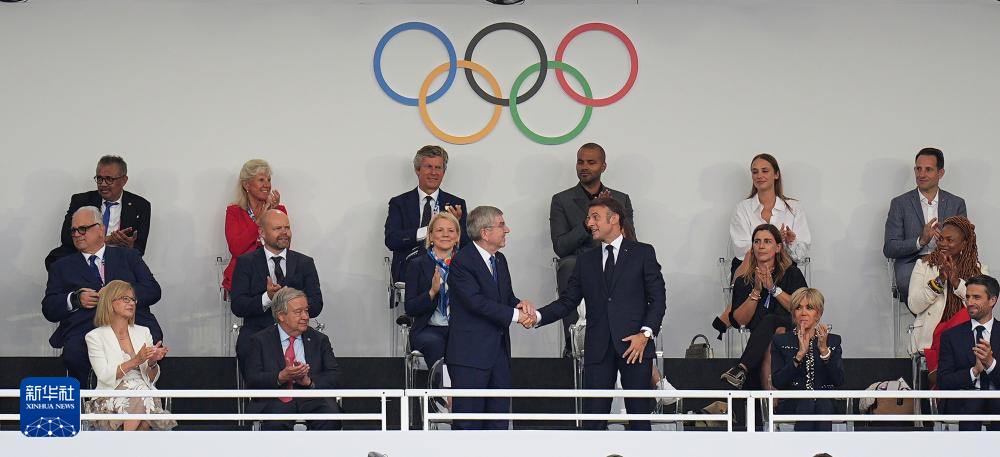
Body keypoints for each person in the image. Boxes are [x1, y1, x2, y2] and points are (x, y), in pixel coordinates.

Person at [534, 197, 666, 431]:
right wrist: (537, 316)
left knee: (639, 419)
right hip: (598, 348)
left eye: (595, 217)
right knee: (593, 421)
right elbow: (567, 301)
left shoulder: (643, 253)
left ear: (614, 219)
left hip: (635, 348)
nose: (589, 223)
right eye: (588, 218)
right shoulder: (585, 261)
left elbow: (658, 299)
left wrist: (645, 335)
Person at [42, 206, 163, 386]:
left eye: (83, 229)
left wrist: (119, 295)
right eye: (73, 230)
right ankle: (89, 400)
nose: (77, 234)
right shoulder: (61, 266)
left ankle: (140, 395)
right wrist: (75, 299)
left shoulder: (129, 256)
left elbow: (153, 290)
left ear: (100, 229)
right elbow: (49, 308)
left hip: (132, 323)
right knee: (74, 354)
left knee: (152, 346)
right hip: (84, 327)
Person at [446, 206, 534, 430]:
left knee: (498, 421)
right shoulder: (462, 261)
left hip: (499, 353)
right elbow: (475, 302)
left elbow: (505, 297)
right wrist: (516, 315)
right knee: (468, 423)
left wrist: (520, 305)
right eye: (502, 225)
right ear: (485, 232)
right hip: (470, 356)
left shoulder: (500, 260)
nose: (507, 230)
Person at [550, 142, 634, 357]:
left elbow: (630, 241)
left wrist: (609, 209)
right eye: (580, 162)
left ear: (603, 166)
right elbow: (561, 246)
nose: (584, 167)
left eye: (591, 162)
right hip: (580, 263)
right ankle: (573, 344)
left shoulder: (620, 199)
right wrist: (589, 223)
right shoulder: (561, 200)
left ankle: (626, 337)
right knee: (568, 265)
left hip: (613, 261)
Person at [231, 209, 323, 371]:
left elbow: (316, 305)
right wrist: (268, 297)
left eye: (287, 228)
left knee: (320, 348)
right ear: (262, 233)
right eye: (277, 228)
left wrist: (293, 303)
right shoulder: (246, 262)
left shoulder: (305, 263)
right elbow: (238, 306)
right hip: (258, 333)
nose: (284, 232)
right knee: (249, 348)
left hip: (297, 334)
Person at [719, 224, 808, 389]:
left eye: (767, 241)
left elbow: (801, 308)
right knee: (770, 339)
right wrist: (756, 292)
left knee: (773, 322)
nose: (761, 246)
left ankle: (742, 368)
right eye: (757, 241)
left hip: (791, 333)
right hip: (759, 340)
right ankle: (766, 399)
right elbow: (739, 321)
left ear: (778, 247)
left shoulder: (792, 273)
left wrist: (773, 289)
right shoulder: (743, 281)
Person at [243, 287, 343, 431]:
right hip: (275, 398)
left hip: (312, 398)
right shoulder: (260, 341)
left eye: (306, 311)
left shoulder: (320, 340)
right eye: (298, 312)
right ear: (281, 316)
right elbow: (252, 379)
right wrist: (280, 377)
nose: (305, 317)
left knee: (330, 418)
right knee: (275, 422)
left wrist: (309, 382)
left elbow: (334, 376)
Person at [84, 280, 175, 431]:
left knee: (143, 394)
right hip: (109, 396)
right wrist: (136, 361)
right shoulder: (95, 336)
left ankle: (125, 442)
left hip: (143, 392)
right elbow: (104, 376)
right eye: (125, 299)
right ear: (110, 302)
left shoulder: (143, 332)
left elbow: (150, 379)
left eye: (133, 299)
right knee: (143, 399)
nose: (131, 303)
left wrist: (152, 362)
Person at [884, 147, 967, 303]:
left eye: (928, 169)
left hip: (948, 261)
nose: (921, 174)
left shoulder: (956, 203)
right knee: (911, 286)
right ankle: (936, 320)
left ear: (940, 173)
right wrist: (920, 241)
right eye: (918, 169)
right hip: (912, 263)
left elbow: (964, 242)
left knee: (969, 284)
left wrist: (946, 241)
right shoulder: (899, 203)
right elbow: (890, 248)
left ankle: (937, 319)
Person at [45, 155, 151, 270]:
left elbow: (140, 249)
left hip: (117, 258)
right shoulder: (81, 200)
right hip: (83, 255)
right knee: (56, 259)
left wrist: (130, 245)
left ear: (124, 180)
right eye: (99, 179)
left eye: (109, 179)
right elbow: (66, 237)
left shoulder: (140, 205)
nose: (103, 184)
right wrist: (106, 239)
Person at [384, 145, 469, 284]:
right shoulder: (399, 203)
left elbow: (466, 247)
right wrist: (428, 231)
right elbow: (391, 240)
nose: (433, 172)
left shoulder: (456, 204)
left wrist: (456, 226)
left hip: (448, 276)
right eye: (428, 167)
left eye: (438, 168)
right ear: (417, 170)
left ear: (443, 172)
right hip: (408, 275)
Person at [907, 216, 986, 360]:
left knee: (965, 316)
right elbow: (914, 306)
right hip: (932, 339)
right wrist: (940, 280)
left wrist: (956, 282)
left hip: (965, 339)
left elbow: (982, 307)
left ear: (964, 244)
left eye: (950, 240)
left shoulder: (979, 271)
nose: (943, 244)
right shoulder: (923, 266)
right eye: (941, 239)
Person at [770, 288, 844, 431]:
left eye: (809, 308)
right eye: (798, 308)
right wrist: (799, 356)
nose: (803, 312)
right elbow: (777, 381)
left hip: (826, 403)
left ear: (819, 313)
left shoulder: (833, 341)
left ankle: (823, 446)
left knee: (823, 404)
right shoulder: (780, 341)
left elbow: (838, 380)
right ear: (793, 313)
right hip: (792, 403)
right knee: (807, 403)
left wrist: (824, 352)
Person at [727, 153, 810, 280]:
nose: (759, 175)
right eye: (755, 172)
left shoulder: (794, 208)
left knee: (794, 276)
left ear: (776, 174)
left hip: (784, 270)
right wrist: (775, 240)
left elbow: (800, 254)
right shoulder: (742, 208)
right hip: (749, 270)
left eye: (765, 171)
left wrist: (790, 242)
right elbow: (741, 249)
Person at [938, 274, 1000, 430]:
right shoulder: (951, 336)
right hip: (964, 403)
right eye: (967, 297)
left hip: (997, 402)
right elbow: (943, 380)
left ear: (992, 300)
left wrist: (990, 364)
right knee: (974, 402)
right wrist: (974, 371)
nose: (969, 302)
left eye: (976, 297)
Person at [404, 212, 460, 367]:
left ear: (457, 236)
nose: (445, 234)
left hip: (459, 328)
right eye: (439, 230)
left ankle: (460, 383)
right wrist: (432, 292)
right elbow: (410, 308)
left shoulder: (467, 264)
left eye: (451, 230)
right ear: (430, 236)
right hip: (427, 329)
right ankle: (441, 382)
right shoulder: (416, 264)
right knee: (436, 345)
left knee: (468, 344)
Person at [223, 159, 286, 292]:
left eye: (269, 180)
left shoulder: (278, 210)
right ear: (246, 184)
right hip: (243, 278)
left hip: (273, 277)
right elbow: (236, 249)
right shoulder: (234, 212)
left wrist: (272, 213)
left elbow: (283, 246)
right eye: (261, 180)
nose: (267, 185)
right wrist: (259, 221)